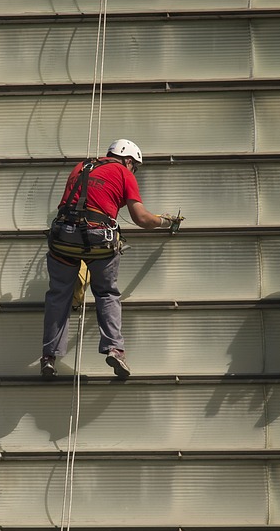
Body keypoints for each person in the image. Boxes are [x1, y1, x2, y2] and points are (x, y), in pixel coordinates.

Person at [40, 139, 181, 379]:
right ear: (128, 160)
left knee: (58, 295)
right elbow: (142, 219)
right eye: (134, 166)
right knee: (106, 293)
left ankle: (49, 357)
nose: (133, 170)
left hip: (63, 237)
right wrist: (166, 221)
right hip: (98, 239)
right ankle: (115, 350)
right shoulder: (123, 173)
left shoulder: (80, 167)